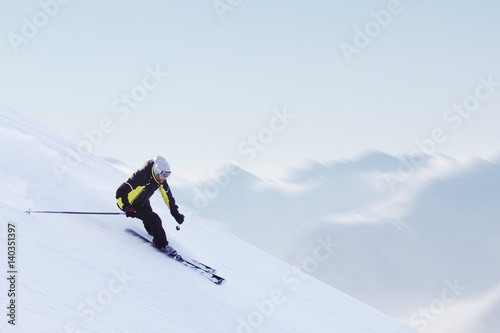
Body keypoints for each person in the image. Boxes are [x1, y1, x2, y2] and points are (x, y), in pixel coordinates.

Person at [116, 156, 184, 255]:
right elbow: (121, 191)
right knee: (155, 219)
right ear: (157, 171)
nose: (165, 178)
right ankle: (162, 245)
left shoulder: (160, 180)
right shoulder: (141, 176)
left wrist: (176, 214)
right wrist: (126, 207)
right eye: (164, 174)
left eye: (168, 175)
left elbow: (168, 198)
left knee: (151, 224)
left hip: (143, 202)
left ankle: (154, 234)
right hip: (129, 204)